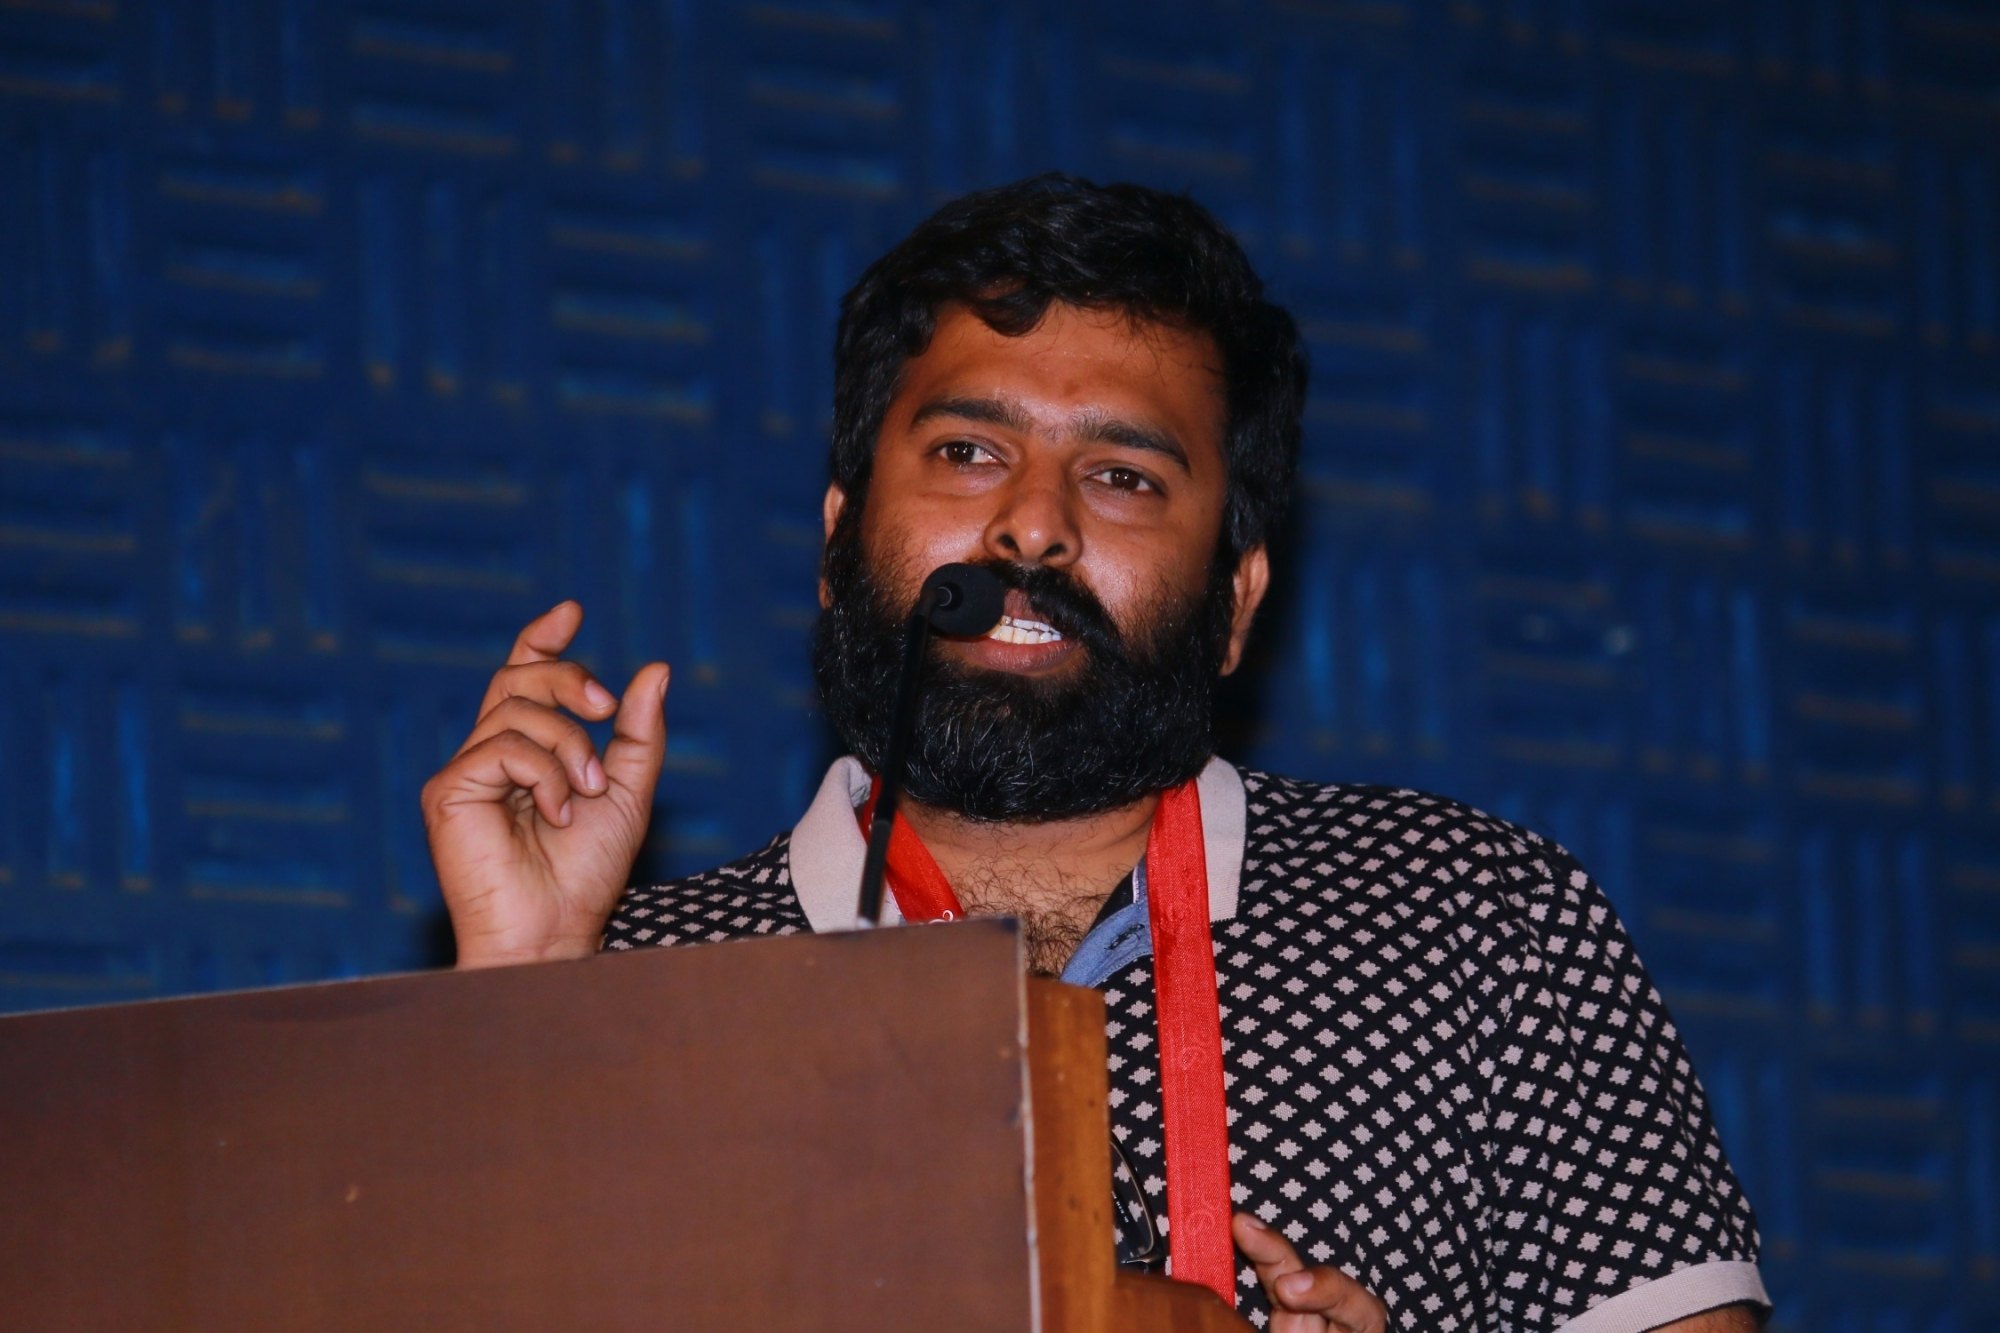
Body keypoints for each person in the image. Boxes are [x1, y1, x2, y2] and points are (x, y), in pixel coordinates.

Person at [421, 175, 1767, 1331]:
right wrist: (518, 1011)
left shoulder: (1474, 922)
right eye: (967, 451)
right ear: (837, 545)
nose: (1032, 527)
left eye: (1123, 476)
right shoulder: (633, 988)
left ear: (1236, 600)